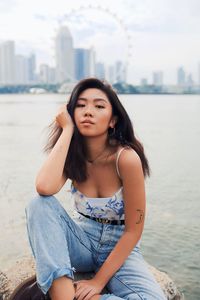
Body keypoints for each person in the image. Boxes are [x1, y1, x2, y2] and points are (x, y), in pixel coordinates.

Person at [25, 78, 166, 300]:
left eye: (99, 106)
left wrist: (98, 282)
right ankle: (63, 296)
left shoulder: (126, 158)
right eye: (81, 105)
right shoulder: (72, 155)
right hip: (82, 240)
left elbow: (133, 231)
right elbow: (44, 187)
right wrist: (67, 130)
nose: (88, 111)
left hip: (120, 244)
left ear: (113, 120)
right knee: (38, 204)